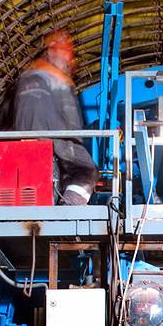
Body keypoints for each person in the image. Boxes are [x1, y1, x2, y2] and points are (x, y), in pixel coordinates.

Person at [11, 28, 96, 205]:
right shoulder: (53, 79)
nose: (69, 60)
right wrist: (71, 145)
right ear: (52, 50)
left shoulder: (29, 76)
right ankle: (69, 207)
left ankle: (60, 201)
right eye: (66, 51)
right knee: (87, 170)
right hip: (53, 141)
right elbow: (53, 119)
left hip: (28, 144)